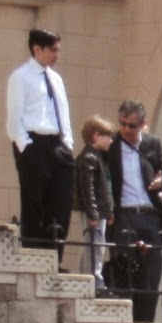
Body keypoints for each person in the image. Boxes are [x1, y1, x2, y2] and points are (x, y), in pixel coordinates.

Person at [7, 28, 74, 260]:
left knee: (62, 202)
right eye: (53, 50)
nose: (57, 55)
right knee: (34, 202)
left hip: (57, 144)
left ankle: (54, 257)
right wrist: (26, 146)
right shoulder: (21, 76)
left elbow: (63, 113)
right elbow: (14, 117)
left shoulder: (56, 78)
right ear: (37, 49)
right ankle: (34, 257)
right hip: (34, 143)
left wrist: (67, 142)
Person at [106, 99, 162, 323]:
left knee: (151, 276)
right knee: (124, 272)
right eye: (122, 123)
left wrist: (160, 181)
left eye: (131, 125)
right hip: (124, 215)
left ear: (143, 124)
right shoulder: (112, 144)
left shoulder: (152, 143)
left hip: (151, 215)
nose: (126, 129)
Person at [73, 115, 115, 296]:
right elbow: (88, 187)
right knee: (95, 246)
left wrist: (107, 211)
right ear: (96, 135)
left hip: (99, 210)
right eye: (108, 136)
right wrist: (94, 213)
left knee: (94, 245)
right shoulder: (89, 157)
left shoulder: (96, 157)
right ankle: (94, 281)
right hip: (94, 212)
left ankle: (86, 278)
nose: (112, 140)